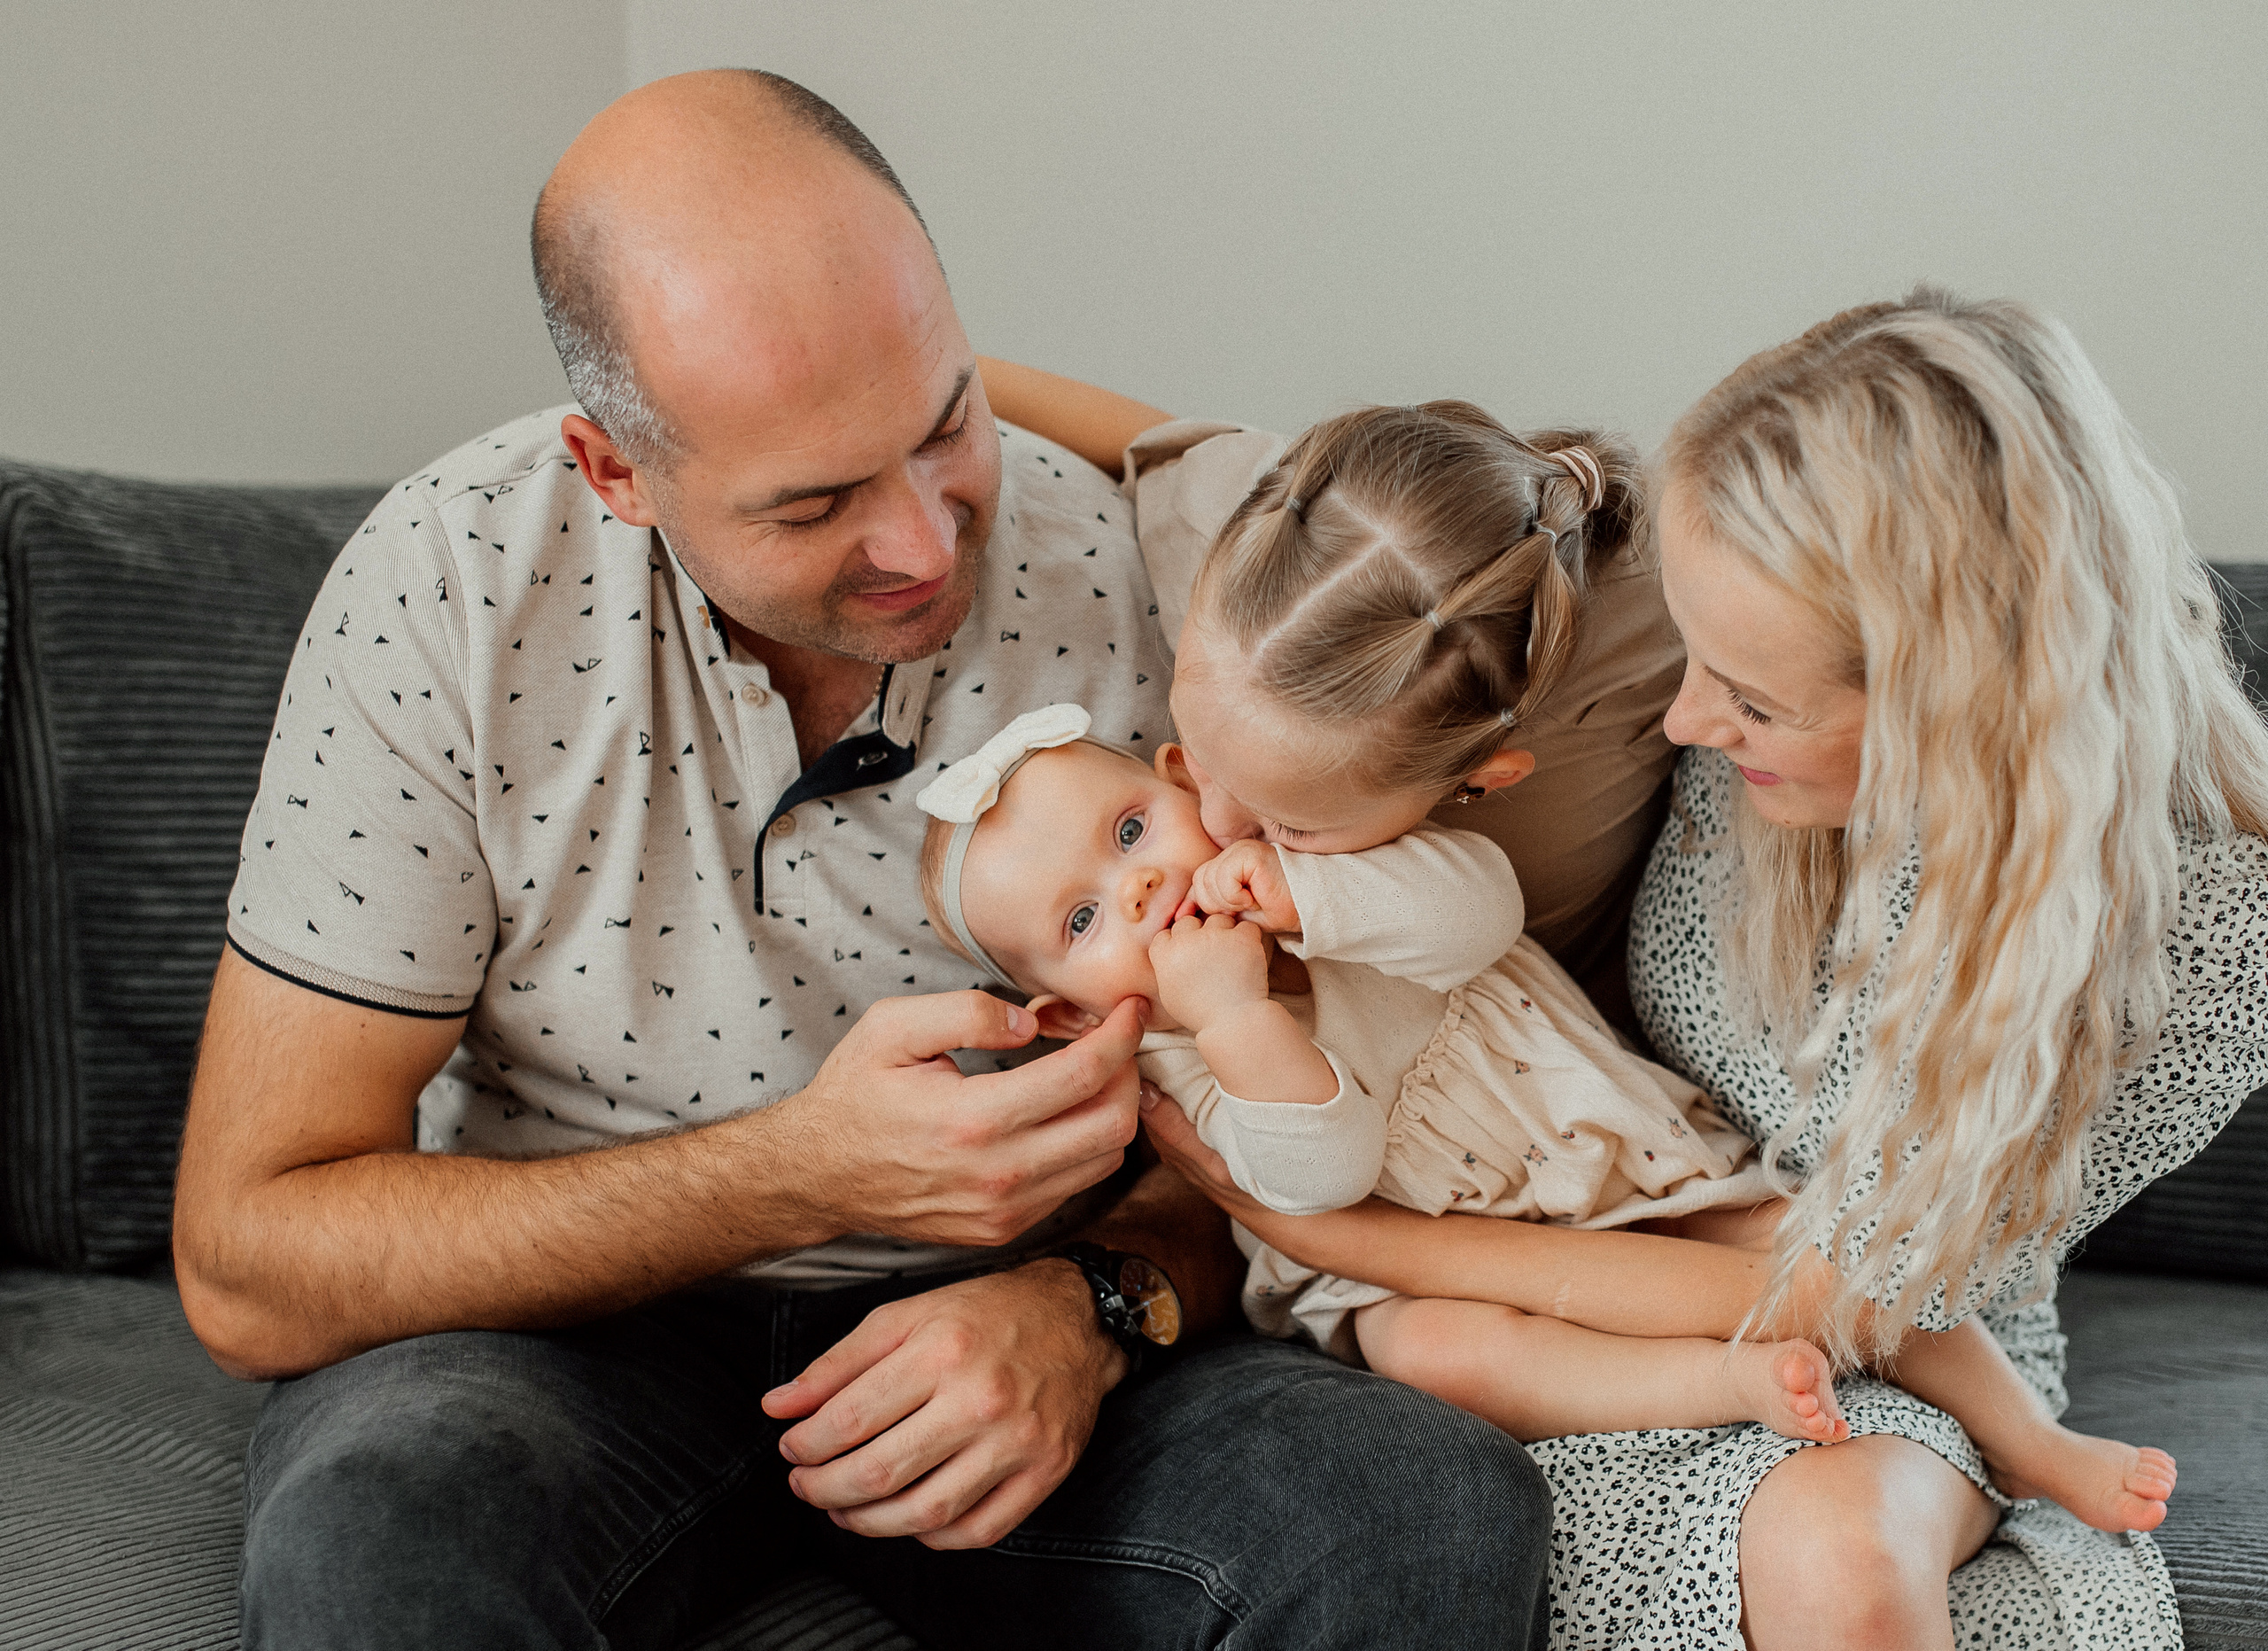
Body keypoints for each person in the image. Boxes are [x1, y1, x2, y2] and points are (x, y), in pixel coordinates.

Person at [171, 70, 1558, 1650]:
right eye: (817, 502)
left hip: (1031, 1310)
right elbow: (249, 1259)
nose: (924, 543)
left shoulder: (1153, 571)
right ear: (615, 470)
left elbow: (1287, 1075)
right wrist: (797, 1173)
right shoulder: (448, 594)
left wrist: (1096, 1303)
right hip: (553, 1333)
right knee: (381, 1545)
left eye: (947, 425)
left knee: (1431, 1510)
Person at [1129, 291, 2268, 1649]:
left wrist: (1334, 1242)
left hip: (1881, 1341)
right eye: (1693, 653)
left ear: (1948, 699)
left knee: (1840, 1555)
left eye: (1752, 697)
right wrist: (973, 402)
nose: (1683, 723)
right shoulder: (1730, 684)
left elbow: (1842, 1296)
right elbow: (1323, 519)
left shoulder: (2205, 938)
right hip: (1576, 1283)